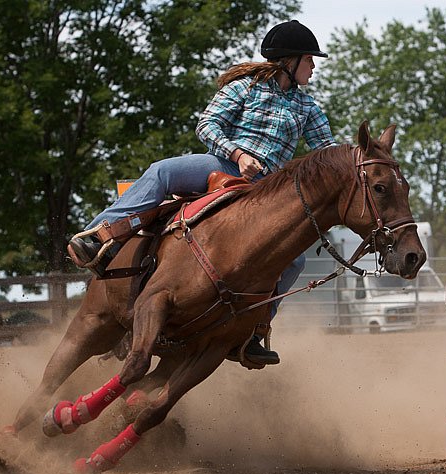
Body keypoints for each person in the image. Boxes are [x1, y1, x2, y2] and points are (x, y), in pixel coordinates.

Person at [68, 20, 336, 366]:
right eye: (309, 60)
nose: (313, 67)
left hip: (266, 192)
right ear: (289, 61)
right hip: (222, 166)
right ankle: (100, 237)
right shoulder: (244, 88)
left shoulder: (308, 108)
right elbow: (207, 124)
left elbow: (326, 154)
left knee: (295, 260)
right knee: (164, 171)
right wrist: (239, 155)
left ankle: (254, 331)